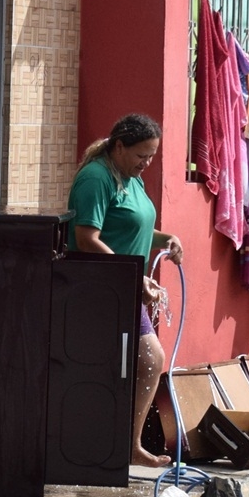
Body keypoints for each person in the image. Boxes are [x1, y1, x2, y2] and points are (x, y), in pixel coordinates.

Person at [68, 113, 184, 467]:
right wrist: (133, 277)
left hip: (124, 284)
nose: (146, 163)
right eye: (140, 155)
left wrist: (167, 239)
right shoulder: (96, 178)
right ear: (119, 146)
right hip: (101, 286)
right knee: (150, 358)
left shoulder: (130, 178)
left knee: (137, 362)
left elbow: (135, 226)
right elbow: (86, 239)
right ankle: (126, 444)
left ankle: (120, 443)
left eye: (151, 156)